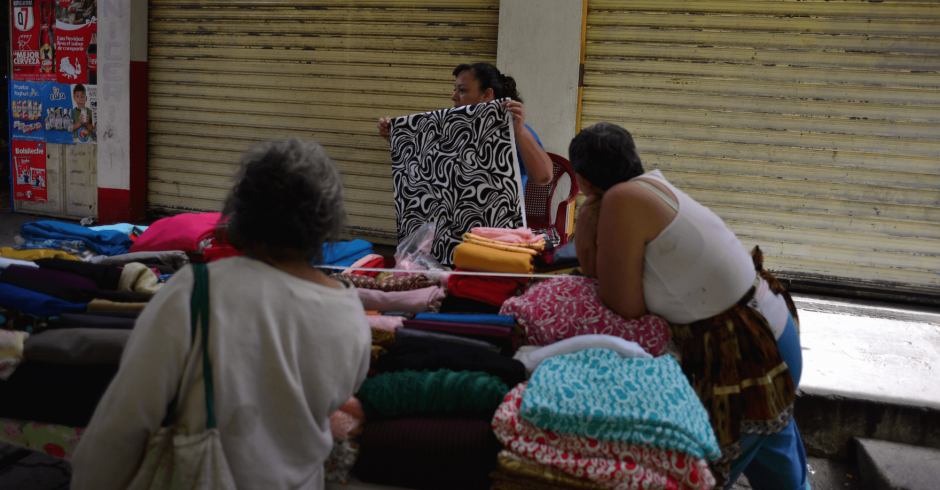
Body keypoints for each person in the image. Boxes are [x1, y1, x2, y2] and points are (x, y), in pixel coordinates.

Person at [71, 137, 372, 490]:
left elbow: (123, 423)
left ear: (241, 212)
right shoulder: (350, 314)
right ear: (325, 221)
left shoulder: (194, 291)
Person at [569, 122, 809, 490]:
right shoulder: (653, 185)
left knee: (700, 477)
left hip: (744, 358)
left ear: (582, 180)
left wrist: (585, 224)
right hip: (773, 335)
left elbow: (624, 307)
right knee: (783, 478)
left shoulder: (619, 200)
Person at [377, 62, 553, 189]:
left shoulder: (514, 130)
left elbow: (543, 177)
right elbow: (425, 168)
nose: (454, 96)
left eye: (462, 90)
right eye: (455, 89)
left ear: (487, 95)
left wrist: (520, 132)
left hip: (496, 232)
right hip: (452, 228)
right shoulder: (446, 128)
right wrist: (396, 136)